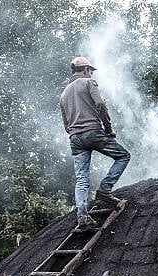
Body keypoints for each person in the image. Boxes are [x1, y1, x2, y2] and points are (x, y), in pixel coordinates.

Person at [59, 56, 131, 231]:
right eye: (90, 70)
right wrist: (108, 128)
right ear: (85, 70)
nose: (90, 73)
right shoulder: (89, 83)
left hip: (75, 139)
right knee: (123, 156)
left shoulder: (63, 94)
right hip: (93, 132)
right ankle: (105, 189)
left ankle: (82, 217)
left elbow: (65, 122)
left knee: (82, 179)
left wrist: (74, 132)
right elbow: (100, 104)